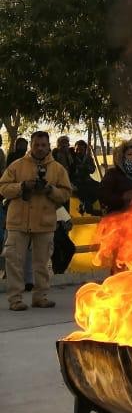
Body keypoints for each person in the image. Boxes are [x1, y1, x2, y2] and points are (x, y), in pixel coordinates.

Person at [0, 130, 72, 311]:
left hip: (44, 222)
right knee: (14, 262)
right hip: (18, 222)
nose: (40, 148)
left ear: (49, 146)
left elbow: (65, 193)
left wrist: (49, 190)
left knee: (42, 263)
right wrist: (22, 186)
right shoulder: (17, 165)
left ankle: (41, 297)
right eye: (36, 145)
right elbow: (3, 188)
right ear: (31, 146)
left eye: (43, 145)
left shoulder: (58, 169)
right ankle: (15, 299)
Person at [69, 140, 101, 214]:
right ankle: (87, 207)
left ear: (85, 150)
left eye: (81, 150)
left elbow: (92, 169)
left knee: (99, 186)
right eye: (77, 149)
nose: (79, 151)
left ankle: (87, 205)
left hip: (87, 179)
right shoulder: (71, 157)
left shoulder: (88, 158)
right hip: (75, 180)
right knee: (82, 189)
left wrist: (84, 167)